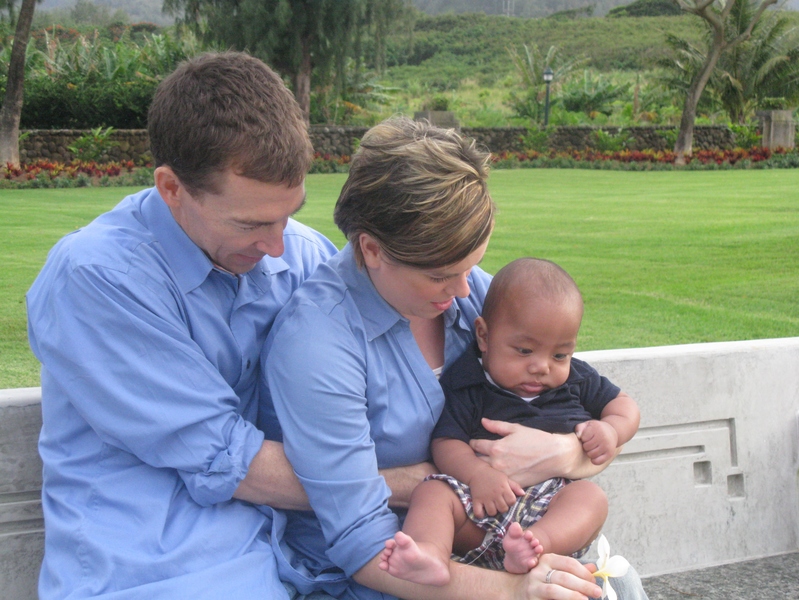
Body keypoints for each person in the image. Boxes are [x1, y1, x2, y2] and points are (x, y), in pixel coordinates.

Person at [261, 116, 649, 600]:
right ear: (372, 249)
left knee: (618, 586)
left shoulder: (468, 297)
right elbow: (362, 545)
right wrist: (515, 590)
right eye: (441, 274)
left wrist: (565, 452)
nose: (466, 290)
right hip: (385, 571)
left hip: (502, 532)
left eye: (471, 266)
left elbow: (573, 398)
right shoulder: (317, 345)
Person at [25, 51, 345, 599]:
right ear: (171, 188)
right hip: (156, 569)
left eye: (288, 214)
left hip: (296, 560)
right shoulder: (97, 277)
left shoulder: (303, 253)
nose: (276, 245)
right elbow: (231, 463)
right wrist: (410, 485)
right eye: (250, 223)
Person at [379, 257, 641, 586]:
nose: (542, 367)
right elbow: (446, 442)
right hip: (479, 508)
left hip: (549, 504)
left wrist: (611, 429)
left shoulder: (577, 379)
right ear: (484, 336)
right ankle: (430, 553)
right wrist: (477, 475)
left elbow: (625, 406)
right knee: (432, 492)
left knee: (590, 498)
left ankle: (534, 547)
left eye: (560, 355)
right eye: (524, 351)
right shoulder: (468, 381)